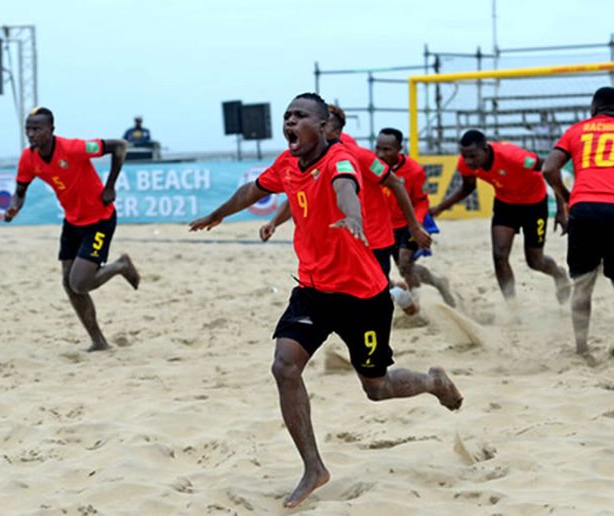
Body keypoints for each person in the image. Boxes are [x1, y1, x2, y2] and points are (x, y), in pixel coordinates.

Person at [190, 93, 463, 508]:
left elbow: (347, 185)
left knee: (377, 388)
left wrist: (353, 214)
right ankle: (314, 468)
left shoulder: (342, 159)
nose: (289, 122)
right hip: (314, 292)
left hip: (362, 296)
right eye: (287, 116)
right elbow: (254, 188)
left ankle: (432, 382)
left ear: (323, 126)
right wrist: (220, 213)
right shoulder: (287, 162)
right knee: (284, 366)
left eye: (299, 116)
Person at [260, 105, 437, 313]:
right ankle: (397, 292)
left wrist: (415, 226)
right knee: (358, 289)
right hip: (343, 239)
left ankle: (415, 303)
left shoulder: (358, 156)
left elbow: (396, 183)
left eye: (320, 125)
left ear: (332, 130)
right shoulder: (310, 159)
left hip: (375, 236)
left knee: (379, 292)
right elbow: (295, 197)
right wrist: (274, 222)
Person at [4, 107, 140, 352]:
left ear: (51, 130)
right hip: (72, 222)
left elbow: (119, 146)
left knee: (79, 283)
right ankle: (98, 341)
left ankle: (121, 265)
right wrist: (14, 208)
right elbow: (20, 192)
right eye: (28, 129)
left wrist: (110, 186)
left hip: (100, 219)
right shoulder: (28, 158)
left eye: (37, 129)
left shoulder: (74, 148)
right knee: (68, 284)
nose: (31, 134)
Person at [542, 87, 614, 359]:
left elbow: (548, 169)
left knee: (582, 283)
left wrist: (567, 197)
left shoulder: (576, 130)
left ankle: (582, 347)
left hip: (583, 208)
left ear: (593, 109)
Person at [430, 130, 570, 303]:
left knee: (535, 261)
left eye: (473, 156)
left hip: (534, 205)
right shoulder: (466, 163)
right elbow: (467, 187)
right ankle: (511, 306)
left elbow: (551, 169)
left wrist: (561, 209)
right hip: (505, 205)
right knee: (499, 255)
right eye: (464, 156)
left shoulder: (513, 156)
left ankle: (559, 274)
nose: (468, 161)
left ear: (485, 150)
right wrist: (440, 208)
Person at [376, 127, 456, 307]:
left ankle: (417, 304)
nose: (380, 154)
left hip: (408, 224)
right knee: (403, 269)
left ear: (399, 149)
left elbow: (421, 201)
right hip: (384, 227)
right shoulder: (372, 166)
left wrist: (417, 225)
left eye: (387, 149)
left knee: (405, 263)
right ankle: (438, 283)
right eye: (378, 148)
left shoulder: (413, 171)